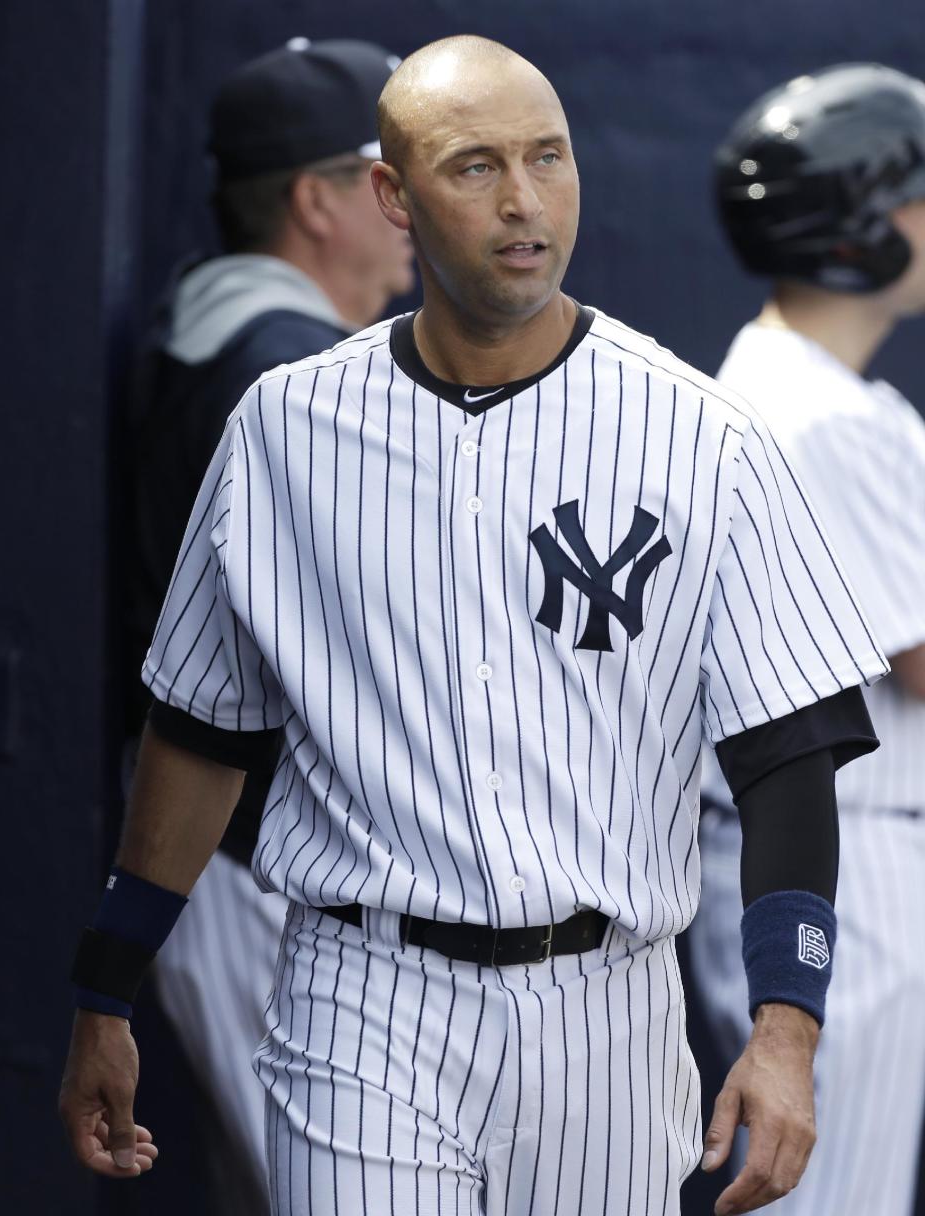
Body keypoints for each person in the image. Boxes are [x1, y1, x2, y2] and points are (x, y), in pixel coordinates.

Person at [61, 36, 887, 1216]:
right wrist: (108, 988)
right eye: (474, 165)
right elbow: (201, 728)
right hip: (363, 988)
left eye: (548, 158)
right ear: (392, 195)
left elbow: (788, 752)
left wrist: (786, 1030)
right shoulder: (283, 426)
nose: (523, 201)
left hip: (608, 1005)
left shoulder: (703, 435)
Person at [121, 37, 414, 1208]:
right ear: (315, 199)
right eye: (386, 173)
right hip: (259, 874)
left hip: (244, 871)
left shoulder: (234, 333)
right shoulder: (280, 369)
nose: (416, 202)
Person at [688, 63, 925, 1216]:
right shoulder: (808, 411)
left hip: (844, 846)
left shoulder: (828, 393)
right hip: (851, 852)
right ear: (860, 221)